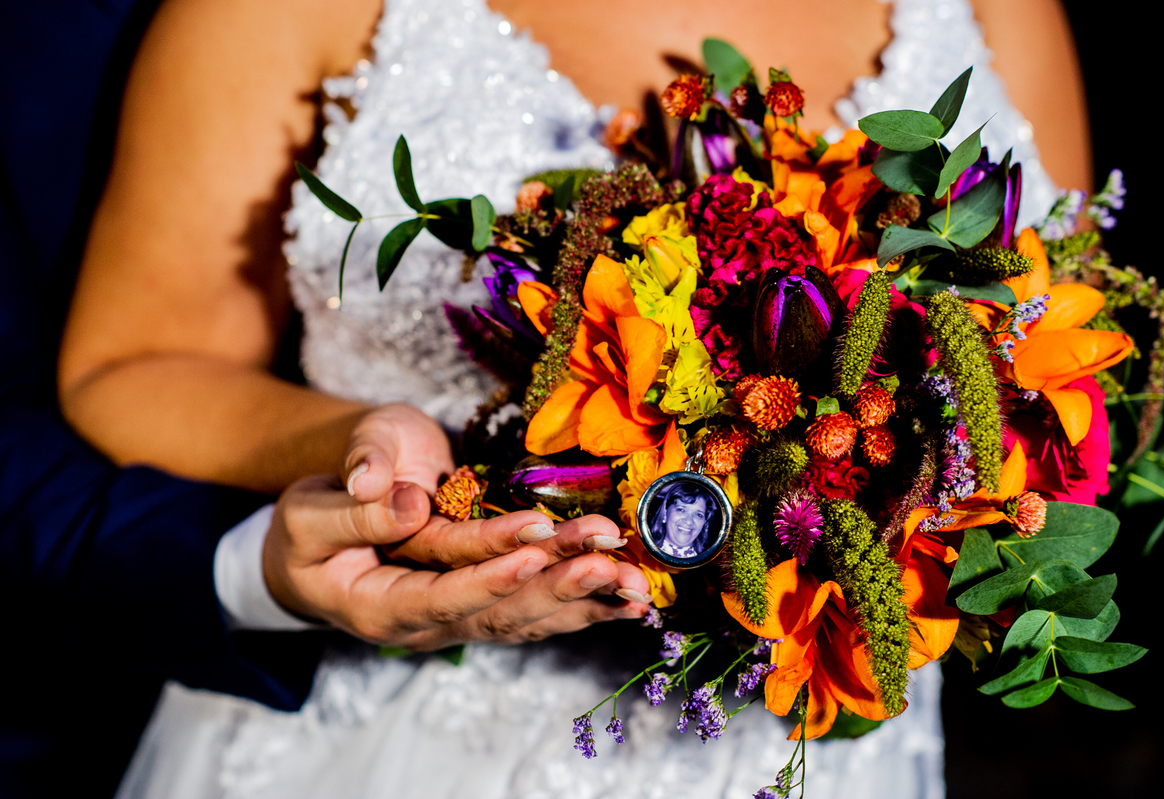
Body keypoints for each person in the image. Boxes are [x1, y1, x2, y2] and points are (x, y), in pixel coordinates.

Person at [52, 0, 1092, 796]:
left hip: (813, 734)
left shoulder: (998, 10)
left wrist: (900, 496)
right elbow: (133, 362)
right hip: (396, 736)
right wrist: (375, 455)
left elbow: (1062, 368)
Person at [649, 482, 716, 559]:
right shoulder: (641, 552)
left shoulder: (711, 565)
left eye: (698, 515)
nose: (689, 521)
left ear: (704, 522)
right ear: (665, 513)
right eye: (681, 510)